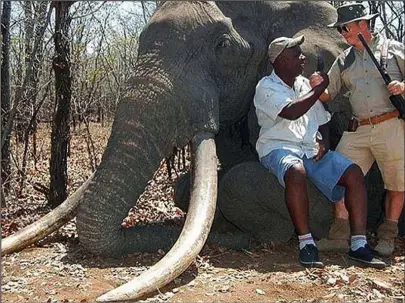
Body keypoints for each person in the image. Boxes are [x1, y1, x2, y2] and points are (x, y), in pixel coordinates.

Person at [254, 35, 386, 268]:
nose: (303, 58)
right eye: (296, 55)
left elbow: (322, 118)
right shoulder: (265, 86)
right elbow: (292, 111)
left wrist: (324, 142)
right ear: (280, 60)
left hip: (310, 149)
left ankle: (358, 244)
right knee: (295, 170)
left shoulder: (304, 84)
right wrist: (320, 89)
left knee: (353, 173)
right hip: (278, 147)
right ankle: (306, 244)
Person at [310, 3, 405, 256]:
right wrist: (318, 87)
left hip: (391, 125)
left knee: (396, 184)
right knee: (339, 174)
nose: (342, 33)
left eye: (345, 27)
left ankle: (388, 236)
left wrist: (402, 86)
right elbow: (331, 94)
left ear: (363, 24)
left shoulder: (393, 50)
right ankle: (340, 235)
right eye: (340, 29)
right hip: (359, 128)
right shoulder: (344, 60)